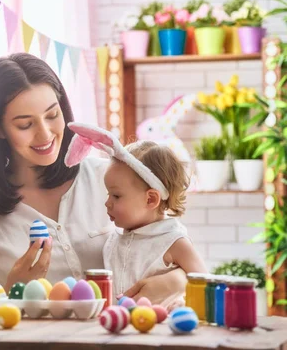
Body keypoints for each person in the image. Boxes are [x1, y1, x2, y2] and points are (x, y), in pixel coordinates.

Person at [0, 53, 187, 308]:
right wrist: (14, 290)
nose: (45, 134)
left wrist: (174, 282)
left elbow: (176, 249)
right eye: (24, 124)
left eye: (52, 115)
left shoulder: (107, 178)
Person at [65, 123, 207, 305]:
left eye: (116, 196)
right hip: (120, 326)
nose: (107, 203)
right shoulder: (114, 239)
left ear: (150, 200)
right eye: (109, 194)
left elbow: (205, 282)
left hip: (161, 327)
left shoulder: (173, 241)